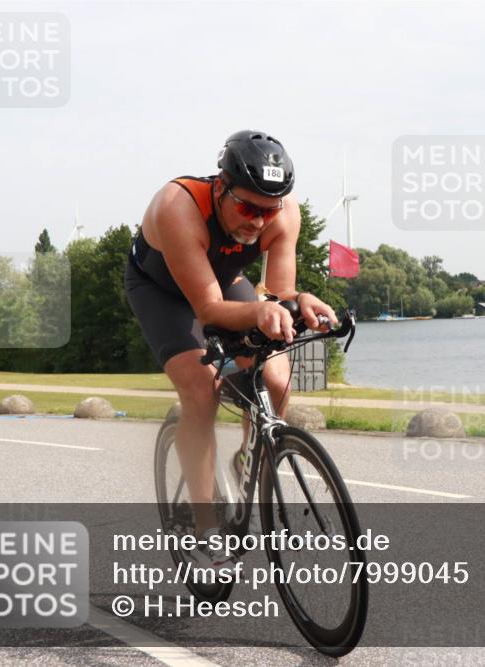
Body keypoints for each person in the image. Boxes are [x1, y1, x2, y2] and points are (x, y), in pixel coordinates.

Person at [124, 130, 337, 560]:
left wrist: (298, 302)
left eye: (267, 211)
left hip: (224, 284)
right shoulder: (178, 206)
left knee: (275, 375)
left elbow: (277, 293)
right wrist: (262, 310)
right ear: (220, 187)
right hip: (163, 292)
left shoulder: (283, 213)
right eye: (246, 207)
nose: (257, 222)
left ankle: (247, 459)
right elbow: (208, 311)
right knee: (202, 389)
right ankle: (206, 527)